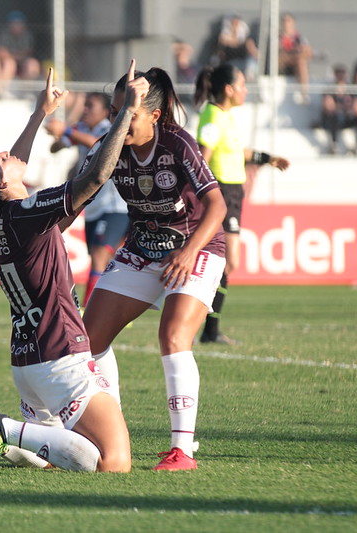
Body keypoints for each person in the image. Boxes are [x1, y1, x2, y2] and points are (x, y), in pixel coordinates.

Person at [0, 63, 148, 473]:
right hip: (59, 356)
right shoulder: (25, 214)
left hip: (27, 361)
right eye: (2, 158)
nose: (11, 154)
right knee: (114, 462)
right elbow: (97, 177)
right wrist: (125, 113)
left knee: (53, 458)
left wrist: (39, 114)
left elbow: (16, 169)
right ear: (0, 182)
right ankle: (0, 427)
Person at [78, 65, 228, 472]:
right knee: (87, 342)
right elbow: (74, 195)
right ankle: (111, 432)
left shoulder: (179, 144)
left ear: (155, 116)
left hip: (195, 246)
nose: (118, 120)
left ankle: (183, 451)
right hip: (142, 249)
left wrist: (187, 253)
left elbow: (217, 205)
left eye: (129, 112)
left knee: (173, 335)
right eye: (114, 112)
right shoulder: (109, 145)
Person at [194, 63, 289, 345]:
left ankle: (210, 330)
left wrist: (266, 158)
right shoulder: (213, 116)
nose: (245, 90)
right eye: (242, 85)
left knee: (227, 263)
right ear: (228, 89)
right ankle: (203, 323)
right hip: (221, 192)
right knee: (228, 261)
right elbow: (201, 157)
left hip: (233, 193)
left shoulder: (226, 116)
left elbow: (238, 151)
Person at [46, 92, 128, 305]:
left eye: (90, 106)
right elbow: (55, 148)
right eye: (84, 105)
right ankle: (116, 306)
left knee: (101, 255)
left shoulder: (108, 129)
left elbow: (97, 144)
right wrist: (65, 134)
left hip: (115, 206)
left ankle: (88, 309)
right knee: (102, 259)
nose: (85, 110)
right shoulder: (80, 128)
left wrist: (66, 130)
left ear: (104, 111)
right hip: (92, 206)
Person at [0, 11, 40, 98]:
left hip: (22, 62)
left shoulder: (27, 35)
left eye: (20, 23)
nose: (17, 26)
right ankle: (0, 90)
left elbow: (28, 52)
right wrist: (14, 56)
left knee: (32, 64)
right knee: (9, 63)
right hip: (7, 61)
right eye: (15, 23)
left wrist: (13, 55)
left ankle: (27, 92)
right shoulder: (4, 34)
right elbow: (0, 51)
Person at [319, 64, 357, 155]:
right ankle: (334, 144)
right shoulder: (330, 89)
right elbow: (329, 107)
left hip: (347, 117)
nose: (341, 76)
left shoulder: (351, 89)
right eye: (339, 73)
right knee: (336, 115)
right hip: (333, 119)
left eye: (343, 73)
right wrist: (345, 107)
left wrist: (343, 107)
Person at [278, 13, 312, 103]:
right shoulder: (278, 37)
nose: (286, 23)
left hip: (295, 64)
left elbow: (308, 51)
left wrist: (300, 50)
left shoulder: (299, 38)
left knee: (301, 62)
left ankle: (304, 93)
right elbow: (278, 52)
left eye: (288, 21)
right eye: (284, 21)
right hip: (282, 64)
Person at [216, 14, 257, 82]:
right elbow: (228, 41)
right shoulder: (224, 36)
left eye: (237, 23)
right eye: (233, 23)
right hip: (229, 63)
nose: (235, 25)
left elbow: (253, 51)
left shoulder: (246, 39)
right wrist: (233, 33)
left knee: (251, 63)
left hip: (242, 63)